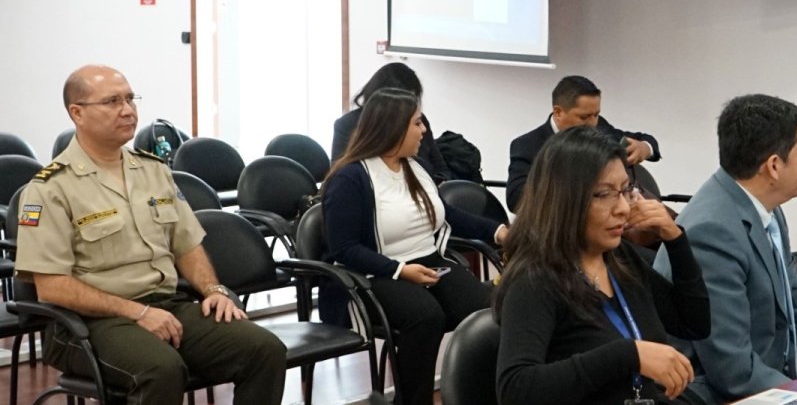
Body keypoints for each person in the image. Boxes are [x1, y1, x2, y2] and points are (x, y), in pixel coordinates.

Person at [15, 65, 286, 404]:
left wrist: (212, 289)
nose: (128, 110)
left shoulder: (154, 170)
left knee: (264, 349)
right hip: (90, 323)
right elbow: (52, 286)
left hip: (166, 305)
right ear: (77, 113)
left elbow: (186, 243)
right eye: (112, 101)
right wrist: (137, 313)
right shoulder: (49, 189)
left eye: (130, 98)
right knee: (160, 369)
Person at [495, 126, 709, 405]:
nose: (622, 207)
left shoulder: (620, 259)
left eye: (624, 190)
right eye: (604, 194)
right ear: (564, 199)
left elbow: (695, 324)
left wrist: (675, 240)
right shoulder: (536, 279)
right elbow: (515, 390)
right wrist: (628, 356)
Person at [654, 94, 797, 404]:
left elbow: (796, 304)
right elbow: (733, 371)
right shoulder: (711, 232)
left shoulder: (765, 207)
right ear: (773, 165)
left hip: (771, 381)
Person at [321, 87, 507, 405]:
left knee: (491, 306)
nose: (424, 131)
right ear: (393, 127)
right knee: (425, 317)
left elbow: (447, 214)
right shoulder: (350, 179)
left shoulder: (416, 168)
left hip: (427, 261)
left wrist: (499, 232)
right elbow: (345, 248)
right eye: (417, 123)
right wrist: (400, 270)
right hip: (373, 273)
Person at [507, 75, 660, 211]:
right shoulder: (527, 145)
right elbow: (516, 200)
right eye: (584, 117)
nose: (592, 123)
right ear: (558, 112)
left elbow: (644, 139)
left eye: (596, 115)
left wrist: (645, 148)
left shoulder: (599, 127)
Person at [332, 62, 453, 183]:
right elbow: (340, 175)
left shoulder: (419, 126)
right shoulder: (347, 125)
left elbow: (441, 169)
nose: (422, 129)